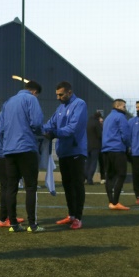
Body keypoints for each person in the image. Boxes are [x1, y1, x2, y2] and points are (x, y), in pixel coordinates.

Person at [0, 80, 45, 233]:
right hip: (26, 147)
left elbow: (1, 128)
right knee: (31, 187)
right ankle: (32, 225)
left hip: (9, 150)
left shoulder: (8, 102)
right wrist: (41, 132)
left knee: (11, 187)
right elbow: (36, 122)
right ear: (35, 92)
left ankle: (13, 224)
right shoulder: (31, 99)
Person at [43, 82, 88, 230]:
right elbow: (51, 124)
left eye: (61, 94)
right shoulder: (60, 108)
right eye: (57, 94)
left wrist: (54, 133)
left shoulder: (80, 104)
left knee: (77, 184)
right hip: (63, 152)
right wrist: (38, 129)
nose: (58, 97)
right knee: (67, 185)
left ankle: (78, 218)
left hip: (76, 151)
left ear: (69, 92)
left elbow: (73, 128)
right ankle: (71, 215)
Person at [0, 113, 25, 228]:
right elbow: (8, 134)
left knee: (6, 185)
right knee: (8, 185)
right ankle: (5, 218)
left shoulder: (6, 114)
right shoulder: (8, 116)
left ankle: (7, 217)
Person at [102, 99, 132, 210]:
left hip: (106, 150)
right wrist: (128, 146)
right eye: (124, 106)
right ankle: (116, 202)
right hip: (117, 149)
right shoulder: (121, 117)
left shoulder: (108, 117)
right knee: (121, 174)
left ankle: (111, 201)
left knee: (109, 176)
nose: (125, 108)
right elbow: (125, 134)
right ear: (118, 106)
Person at [84, 111, 103, 185]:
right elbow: (100, 135)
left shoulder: (88, 122)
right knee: (93, 163)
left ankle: (85, 175)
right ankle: (89, 178)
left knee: (87, 162)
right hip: (95, 145)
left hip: (87, 145)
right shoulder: (96, 123)